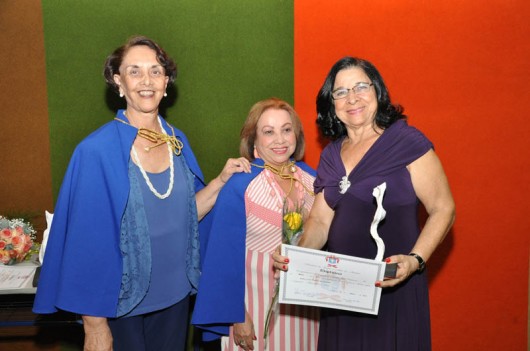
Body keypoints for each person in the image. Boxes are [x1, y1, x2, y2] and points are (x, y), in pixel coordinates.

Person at [32, 36, 250, 351]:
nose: (146, 81)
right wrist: (95, 326)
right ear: (118, 82)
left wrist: (220, 181)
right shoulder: (96, 151)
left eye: (155, 71)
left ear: (166, 82)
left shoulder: (178, 142)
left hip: (175, 299)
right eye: (134, 71)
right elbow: (86, 245)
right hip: (120, 307)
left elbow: (187, 214)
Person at [272, 57, 456, 350]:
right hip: (341, 293)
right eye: (341, 92)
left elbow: (443, 208)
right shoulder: (331, 156)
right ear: (331, 104)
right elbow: (320, 221)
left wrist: (415, 260)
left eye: (360, 87)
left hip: (394, 287)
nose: (352, 98)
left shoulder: (406, 142)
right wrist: (297, 256)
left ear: (377, 92)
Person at [192, 98, 319, 351]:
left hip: (304, 310)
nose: (280, 140)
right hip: (253, 310)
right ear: (254, 141)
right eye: (268, 132)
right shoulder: (241, 184)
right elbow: (222, 256)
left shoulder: (312, 178)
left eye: (286, 129)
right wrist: (237, 316)